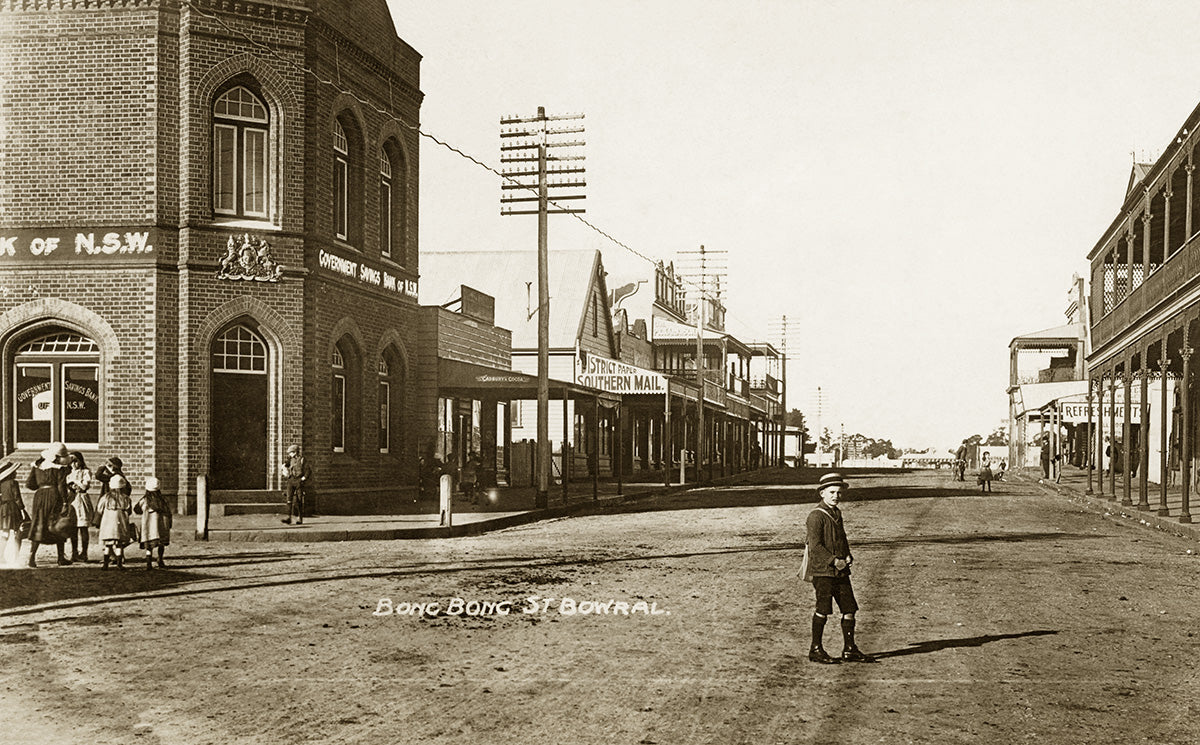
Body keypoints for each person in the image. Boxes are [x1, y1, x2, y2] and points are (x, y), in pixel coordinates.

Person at [802, 472, 872, 664]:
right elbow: (815, 546)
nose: (836, 496)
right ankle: (815, 649)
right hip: (823, 571)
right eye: (832, 492)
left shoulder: (836, 513)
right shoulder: (816, 516)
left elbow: (842, 538)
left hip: (840, 571)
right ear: (822, 493)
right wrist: (834, 560)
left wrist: (847, 554)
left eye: (839, 493)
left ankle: (849, 649)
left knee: (849, 608)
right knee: (823, 609)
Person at [25, 442, 72, 567]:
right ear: (56, 457)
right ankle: (61, 557)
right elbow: (61, 486)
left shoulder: (37, 466)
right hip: (53, 495)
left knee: (38, 523)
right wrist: (65, 502)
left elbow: (29, 484)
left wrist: (41, 485)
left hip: (39, 496)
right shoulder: (59, 469)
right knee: (57, 523)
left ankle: (31, 556)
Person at [96, 475, 132, 570]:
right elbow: (129, 511)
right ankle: (119, 564)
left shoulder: (105, 497)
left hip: (108, 524)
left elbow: (99, 510)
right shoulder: (126, 498)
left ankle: (105, 564)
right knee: (119, 544)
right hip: (121, 523)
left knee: (108, 544)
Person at [135, 476, 171, 569]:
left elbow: (136, 510)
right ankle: (160, 559)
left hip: (149, 527)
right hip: (162, 526)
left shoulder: (144, 500)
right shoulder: (163, 500)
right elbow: (169, 512)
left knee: (149, 546)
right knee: (161, 544)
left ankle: (148, 563)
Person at [66, 450, 94, 562]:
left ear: (80, 461)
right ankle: (74, 552)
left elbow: (84, 486)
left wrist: (75, 484)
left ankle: (84, 552)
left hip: (81, 499)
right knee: (73, 528)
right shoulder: (67, 473)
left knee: (83, 527)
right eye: (71, 461)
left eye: (76, 461)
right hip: (71, 500)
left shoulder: (85, 472)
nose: (73, 464)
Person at [0, 461, 28, 567]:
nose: (16, 473)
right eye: (15, 472)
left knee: (5, 533)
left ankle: (1, 556)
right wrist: (22, 509)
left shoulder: (1, 483)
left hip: (3, 509)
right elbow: (17, 497)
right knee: (18, 532)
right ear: (11, 473)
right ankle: (16, 556)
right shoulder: (13, 483)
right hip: (13, 509)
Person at [281, 444, 311, 525]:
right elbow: (285, 465)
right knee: (289, 498)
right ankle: (288, 517)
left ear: (295, 452)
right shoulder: (290, 459)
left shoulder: (302, 460)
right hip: (291, 480)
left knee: (299, 499)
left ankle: (300, 518)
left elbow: (308, 471)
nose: (289, 454)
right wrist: (284, 470)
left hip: (299, 480)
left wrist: (303, 479)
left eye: (290, 452)